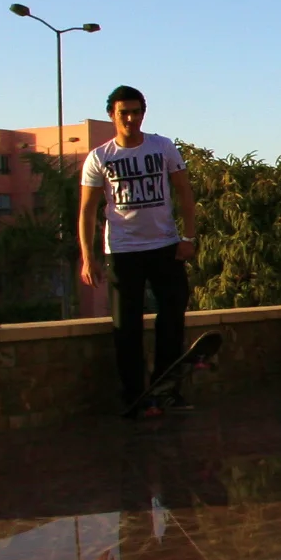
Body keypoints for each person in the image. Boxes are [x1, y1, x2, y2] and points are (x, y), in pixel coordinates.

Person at [79, 85, 199, 416]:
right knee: (126, 326)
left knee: (172, 315)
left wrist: (188, 237)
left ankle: (166, 387)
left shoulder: (162, 147)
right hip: (122, 251)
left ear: (143, 114)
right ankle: (134, 396)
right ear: (112, 115)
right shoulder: (100, 157)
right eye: (124, 113)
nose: (130, 119)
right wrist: (88, 257)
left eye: (136, 112)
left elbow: (184, 193)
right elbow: (87, 211)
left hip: (165, 246)